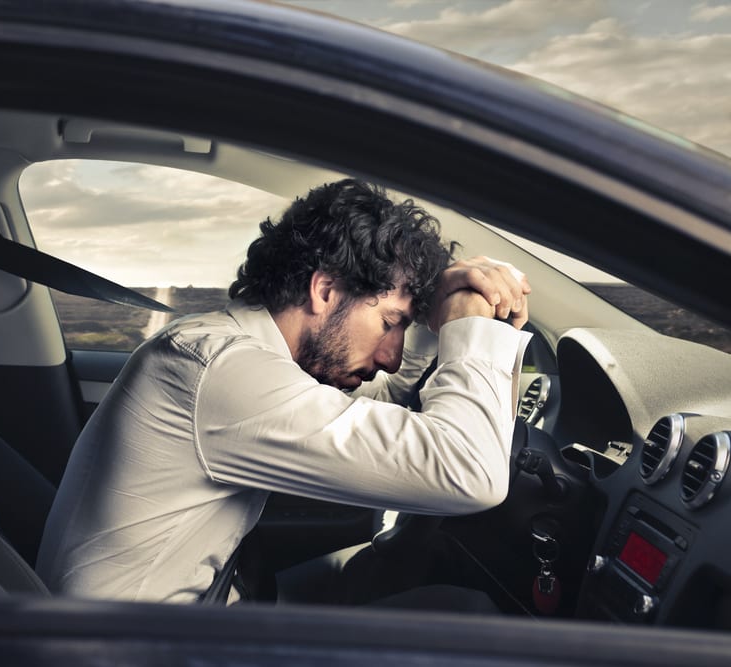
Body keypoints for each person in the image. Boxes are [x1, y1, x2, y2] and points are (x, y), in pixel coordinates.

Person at [36, 179, 531, 604]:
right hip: (134, 648)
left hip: (210, 606)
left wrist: (430, 318)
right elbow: (471, 474)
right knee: (462, 615)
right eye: (389, 323)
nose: (391, 357)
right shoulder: (223, 372)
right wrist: (467, 321)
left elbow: (382, 405)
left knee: (396, 580)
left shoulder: (236, 353)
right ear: (325, 290)